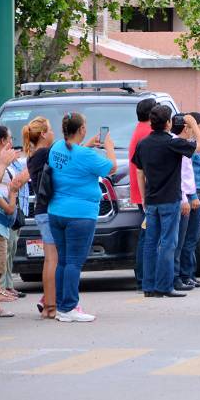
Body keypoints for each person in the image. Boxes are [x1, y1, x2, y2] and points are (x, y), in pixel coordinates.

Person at [47, 112, 117, 321]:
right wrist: (109, 147)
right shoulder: (86, 156)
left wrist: (86, 145)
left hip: (56, 211)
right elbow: (111, 168)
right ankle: (70, 307)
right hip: (80, 214)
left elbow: (72, 158)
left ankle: (62, 306)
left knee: (63, 261)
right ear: (82, 130)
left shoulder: (57, 147)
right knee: (74, 263)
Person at [131, 106, 200, 298]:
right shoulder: (173, 142)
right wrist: (194, 125)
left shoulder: (143, 143)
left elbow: (139, 170)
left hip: (152, 200)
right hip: (170, 199)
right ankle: (164, 285)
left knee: (151, 243)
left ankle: (148, 285)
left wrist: (144, 197)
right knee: (169, 243)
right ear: (168, 123)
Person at [23, 117, 57, 318]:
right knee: (53, 258)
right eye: (51, 129)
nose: (53, 133)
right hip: (48, 210)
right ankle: (50, 305)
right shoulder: (45, 153)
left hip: (41, 211)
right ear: (43, 133)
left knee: (49, 259)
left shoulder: (32, 155)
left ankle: (47, 301)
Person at [178, 114, 200, 289]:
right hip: (193, 193)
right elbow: (186, 173)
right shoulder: (188, 144)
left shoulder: (191, 143)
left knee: (193, 235)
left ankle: (189, 273)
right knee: (189, 236)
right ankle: (185, 274)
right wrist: (193, 196)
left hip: (199, 191)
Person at [128, 97, 157, 292]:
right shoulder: (147, 133)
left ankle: (144, 277)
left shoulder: (139, 130)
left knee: (147, 235)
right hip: (147, 192)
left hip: (141, 191)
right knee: (148, 237)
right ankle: (143, 278)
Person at [0, 126, 27, 300]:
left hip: (9, 215)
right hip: (3, 213)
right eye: (9, 138)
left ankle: (6, 287)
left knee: (8, 253)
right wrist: (12, 192)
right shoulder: (2, 161)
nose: (12, 142)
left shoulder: (11, 160)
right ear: (3, 140)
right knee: (2, 256)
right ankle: (2, 290)